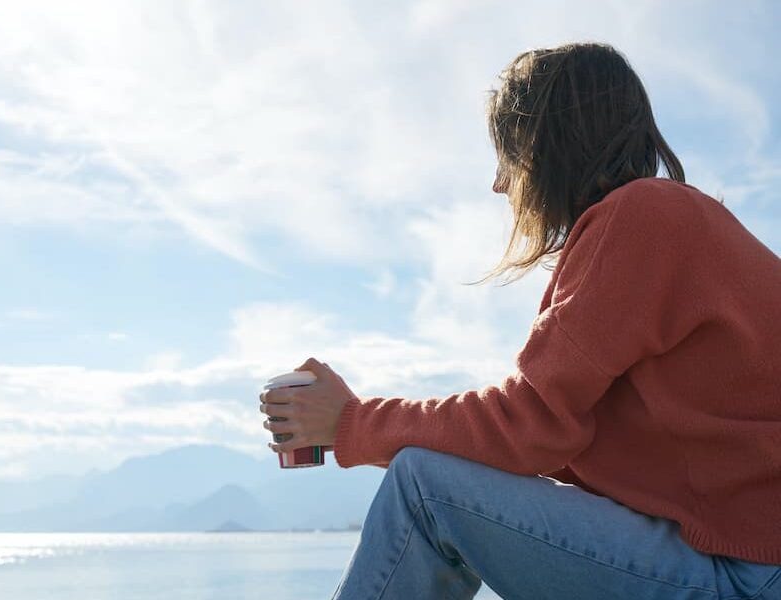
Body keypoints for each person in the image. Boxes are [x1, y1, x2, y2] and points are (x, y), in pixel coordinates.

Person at [259, 42, 781, 600]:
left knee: (423, 487)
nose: (500, 183)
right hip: (746, 557)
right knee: (431, 477)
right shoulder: (682, 223)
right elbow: (552, 442)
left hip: (744, 573)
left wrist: (352, 423)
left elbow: (532, 424)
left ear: (544, 145)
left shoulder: (643, 217)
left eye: (507, 154)